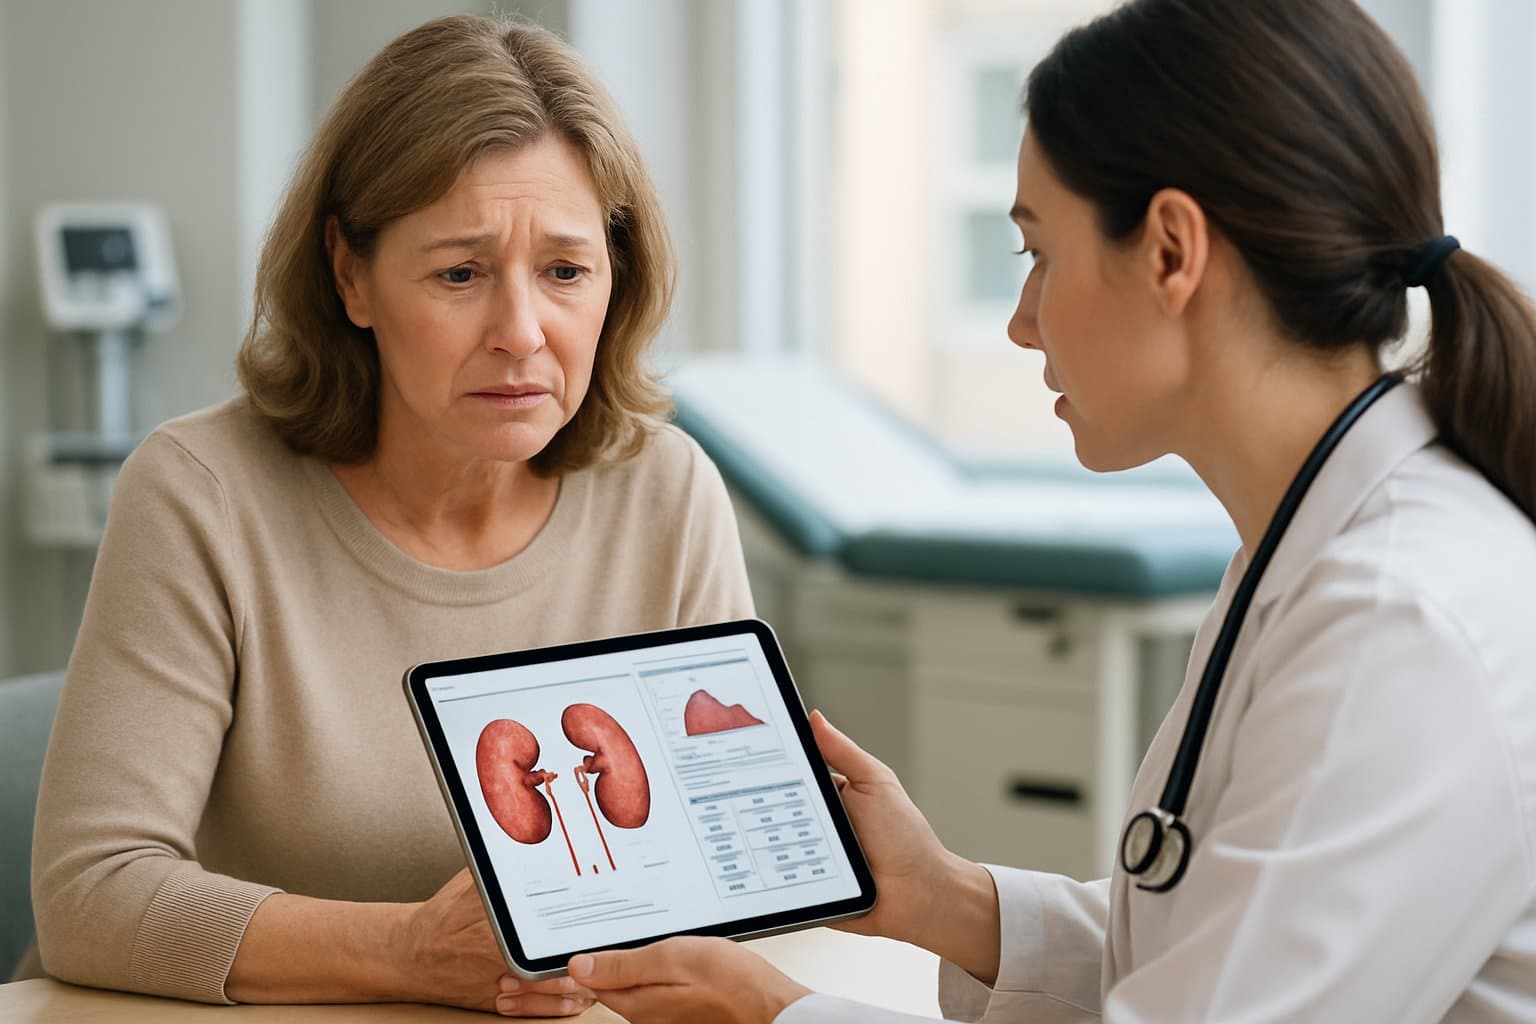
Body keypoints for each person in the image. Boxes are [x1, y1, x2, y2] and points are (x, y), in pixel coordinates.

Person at [565, 1, 1536, 1020]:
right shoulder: (1316, 546)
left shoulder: (1397, 618)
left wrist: (775, 1013)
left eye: (1038, 253)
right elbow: (1201, 959)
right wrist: (943, 897)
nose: (1022, 322)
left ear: (1170, 250)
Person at [25, 15, 753, 1018]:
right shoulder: (201, 491)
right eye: (460, 273)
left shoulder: (667, 492)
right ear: (350, 273)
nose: (520, 333)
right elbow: (92, 894)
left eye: (566, 270)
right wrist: (409, 950)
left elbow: (718, 873)